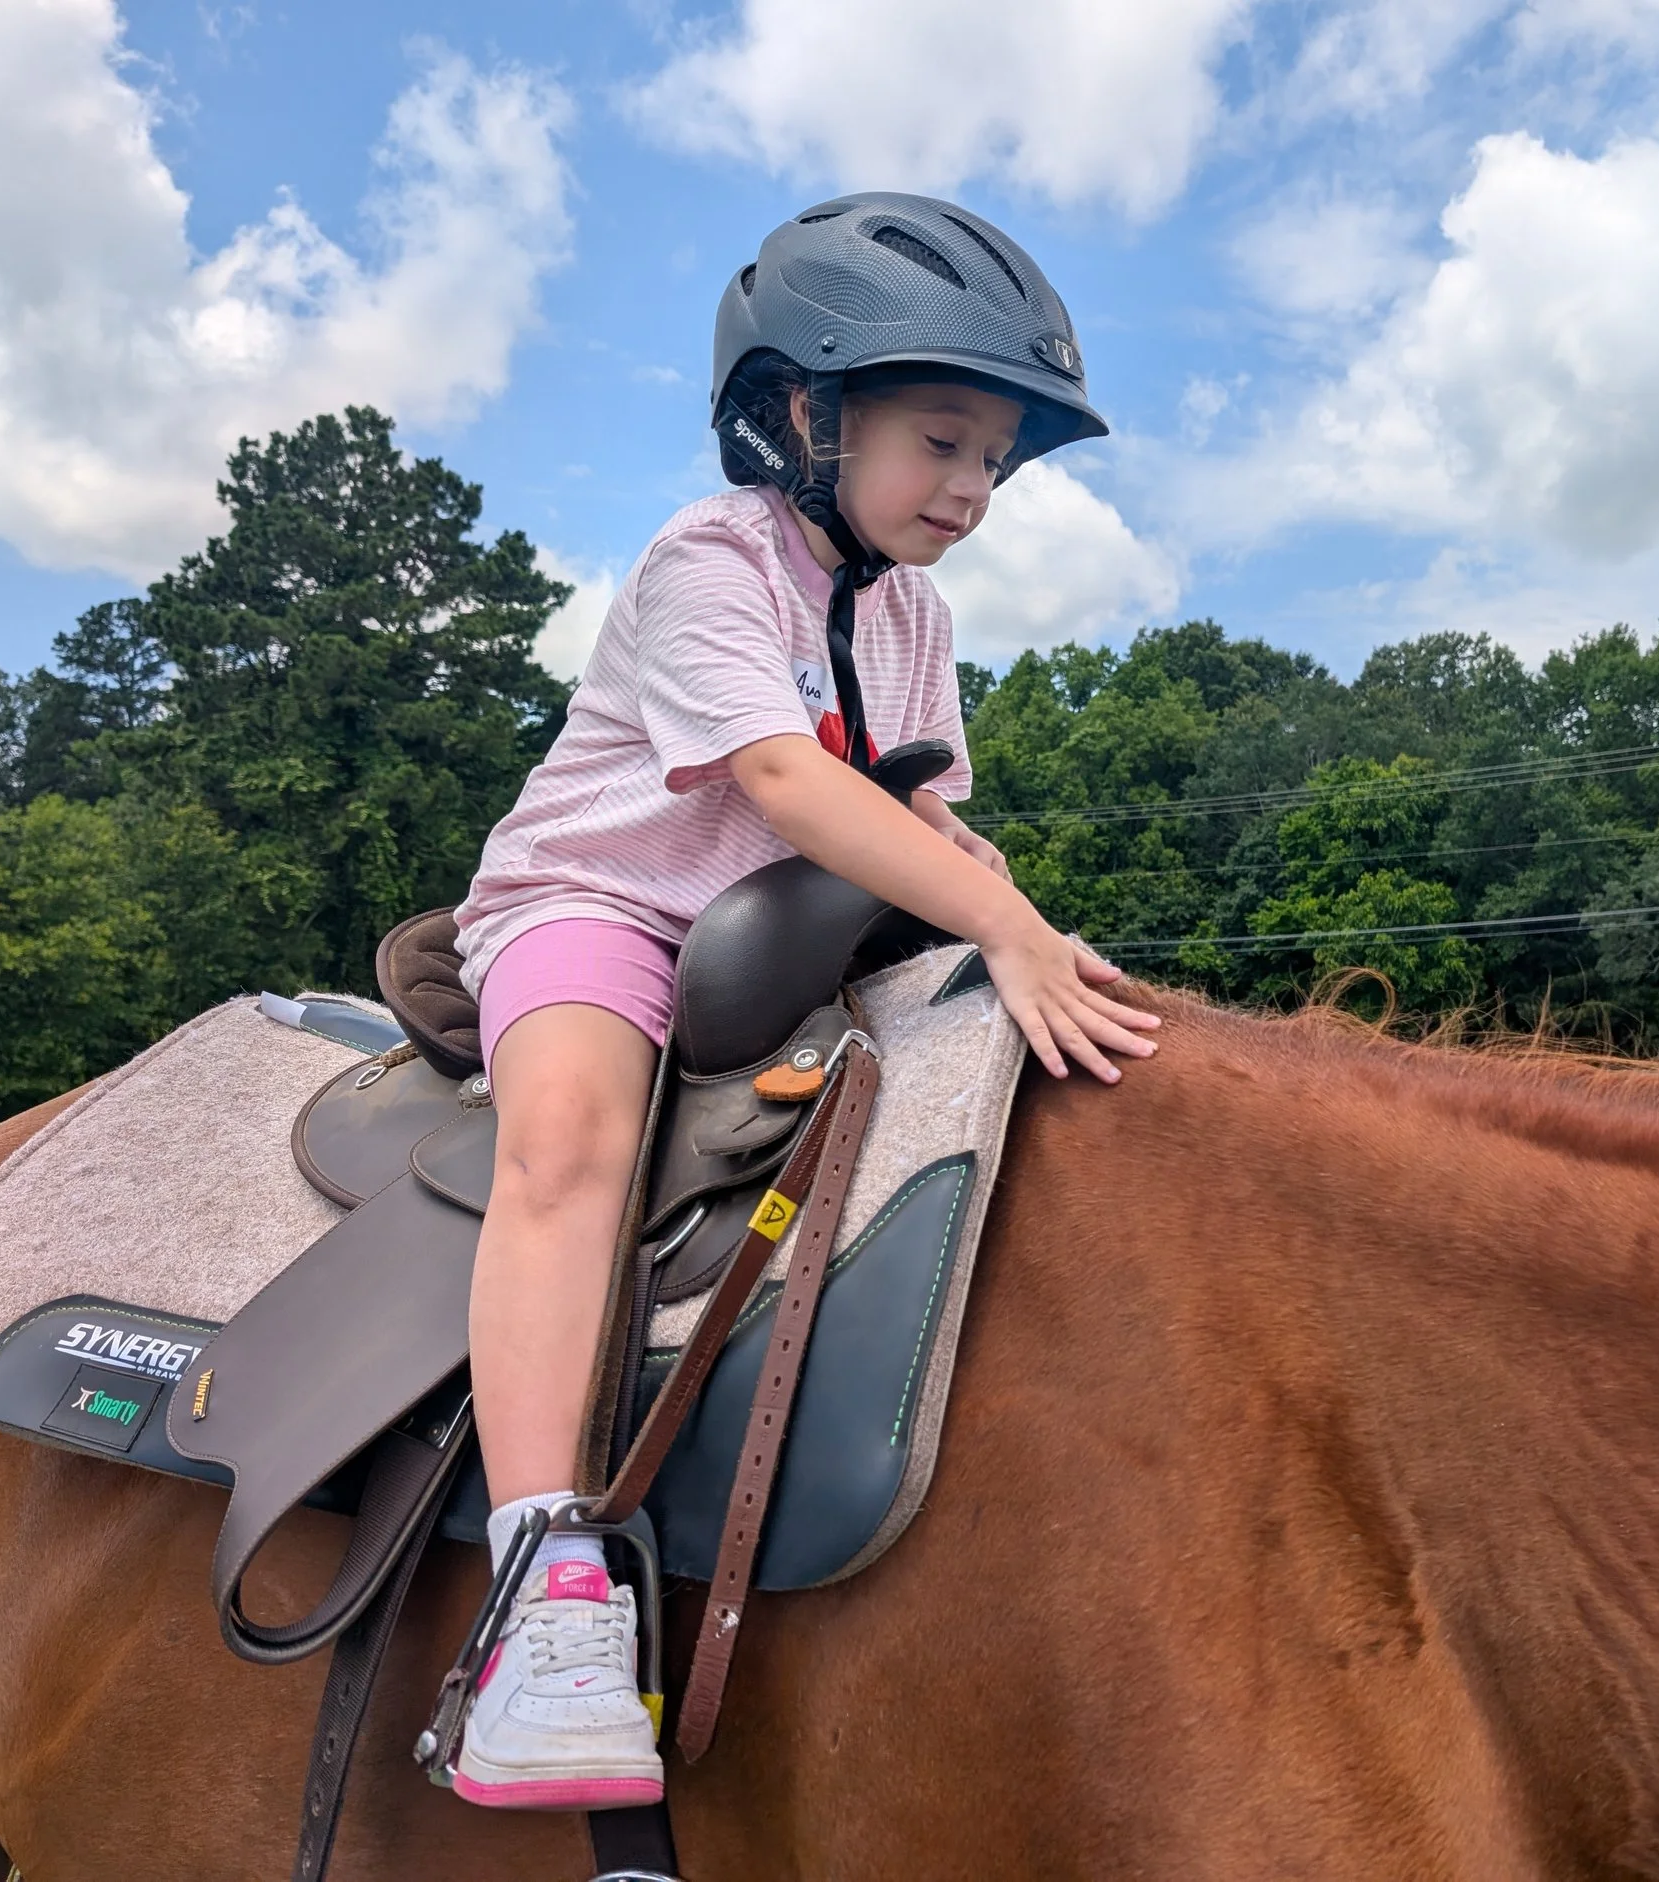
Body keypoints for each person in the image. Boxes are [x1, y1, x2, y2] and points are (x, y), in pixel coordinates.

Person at [441, 194, 1161, 1809]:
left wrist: (1032, 939)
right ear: (799, 415)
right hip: (608, 904)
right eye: (942, 440)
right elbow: (782, 777)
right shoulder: (708, 562)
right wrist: (1000, 915)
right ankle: (535, 1587)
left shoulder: (917, 619)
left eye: (996, 461)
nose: (973, 489)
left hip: (790, 946)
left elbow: (923, 820)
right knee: (569, 1141)